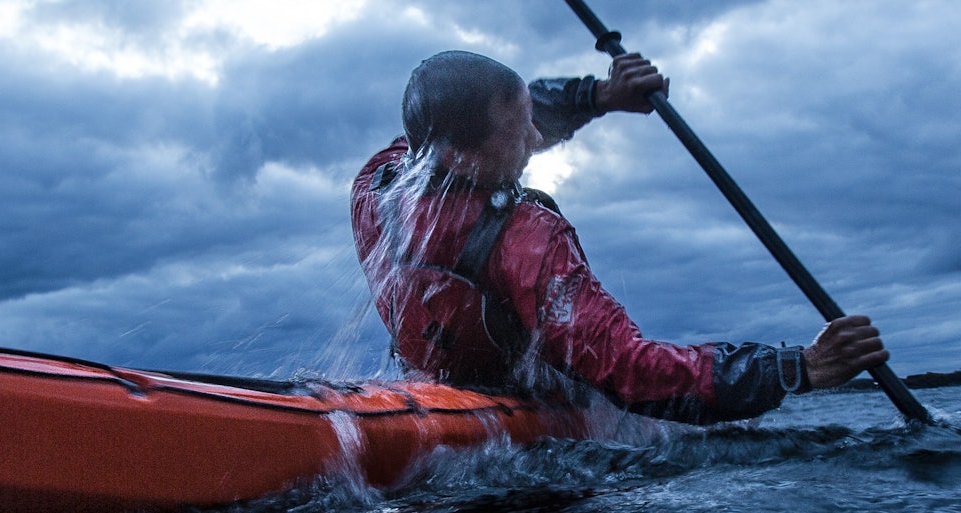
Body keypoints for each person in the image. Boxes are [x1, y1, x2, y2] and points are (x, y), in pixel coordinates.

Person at [351, 50, 889, 424]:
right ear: (461, 156)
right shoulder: (527, 243)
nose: (537, 138)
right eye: (524, 133)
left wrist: (600, 94)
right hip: (530, 426)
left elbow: (474, 118)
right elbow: (629, 372)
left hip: (426, 390)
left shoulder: (375, 184)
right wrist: (797, 369)